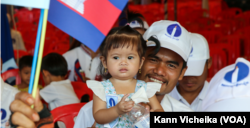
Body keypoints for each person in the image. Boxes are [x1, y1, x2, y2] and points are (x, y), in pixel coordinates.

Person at [9, 20, 194, 128]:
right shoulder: (91, 110)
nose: (159, 71)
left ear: (181, 73)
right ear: (141, 61)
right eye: (153, 59)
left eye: (171, 65)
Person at [87, 25, 163, 127]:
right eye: (116, 57)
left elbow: (159, 111)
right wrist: (116, 110)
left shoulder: (145, 88)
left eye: (130, 57)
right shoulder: (102, 88)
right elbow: (98, 117)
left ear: (140, 62)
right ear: (104, 62)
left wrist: (150, 113)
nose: (123, 62)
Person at [168, 33, 212, 111]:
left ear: (209, 63)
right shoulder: (161, 97)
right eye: (184, 70)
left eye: (196, 70)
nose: (189, 77)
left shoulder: (219, 98)